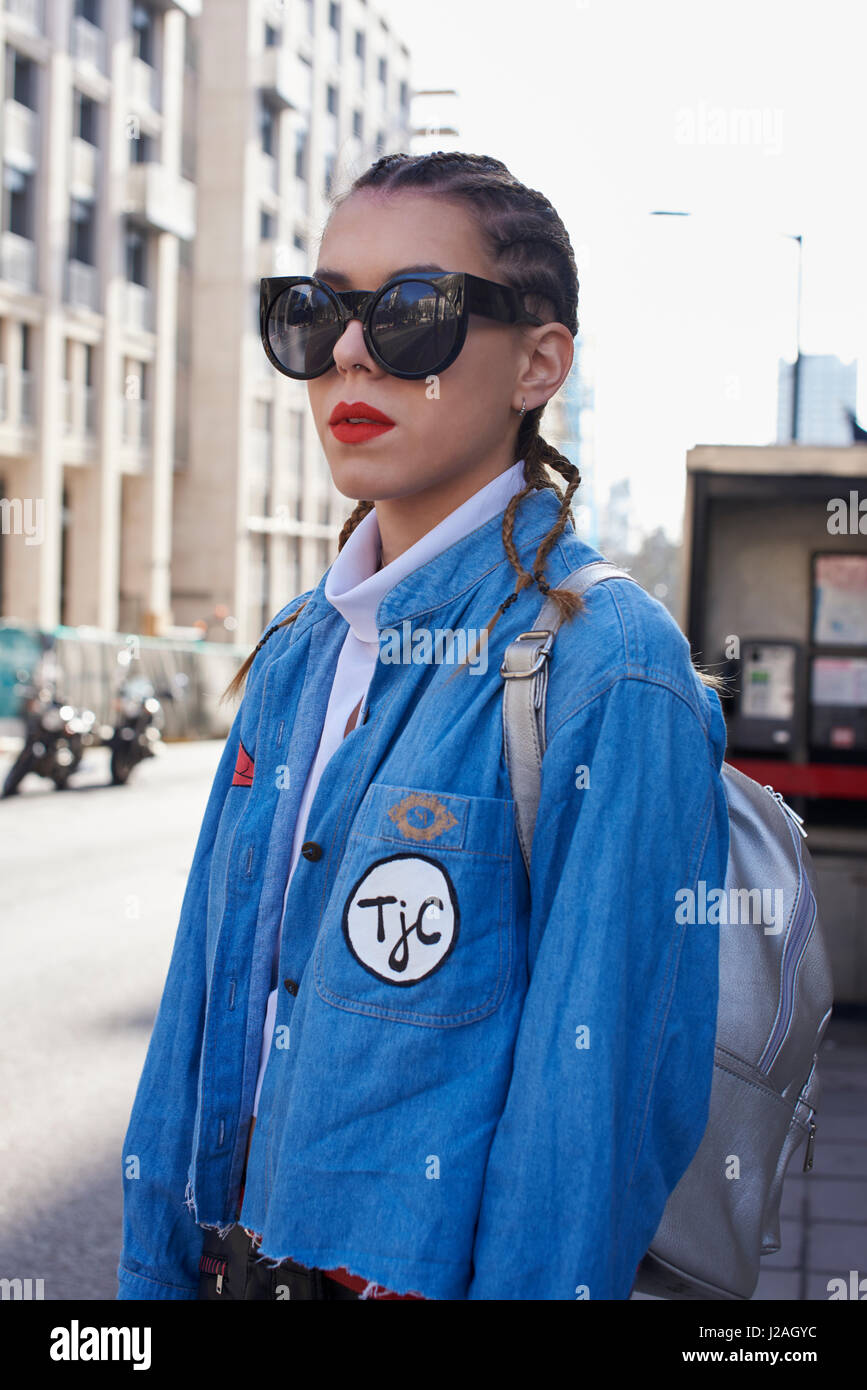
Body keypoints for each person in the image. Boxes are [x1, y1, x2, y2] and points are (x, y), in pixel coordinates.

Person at [116, 150, 730, 1302]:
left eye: (411, 314)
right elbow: (196, 1025)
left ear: (539, 363)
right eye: (314, 312)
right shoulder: (299, 647)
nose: (348, 352)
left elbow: (584, 1142)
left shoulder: (608, 667)